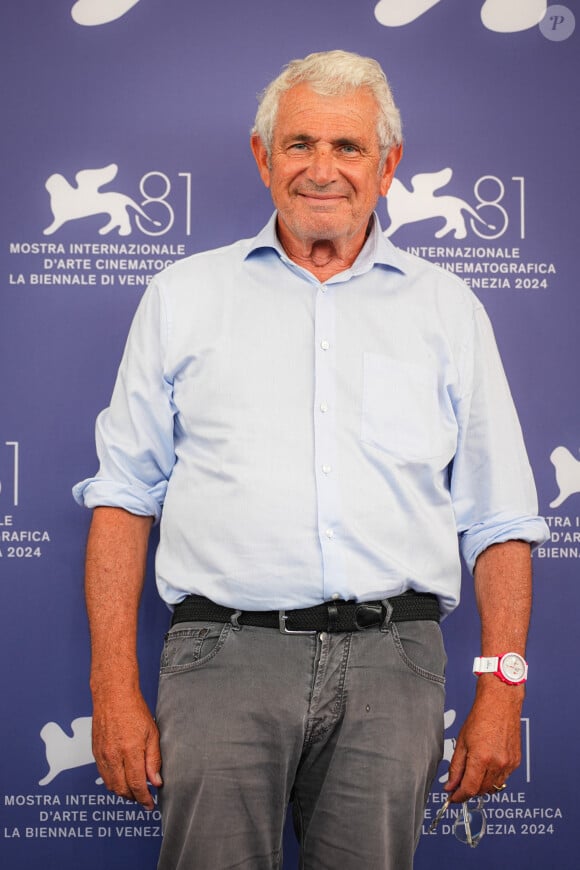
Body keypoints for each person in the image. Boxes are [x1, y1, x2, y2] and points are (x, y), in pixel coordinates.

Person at [74, 50, 549, 869]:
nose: (321, 170)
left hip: (395, 664)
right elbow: (123, 499)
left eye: (348, 148)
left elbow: (500, 519)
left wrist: (501, 694)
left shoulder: (449, 310)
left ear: (389, 165)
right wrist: (112, 690)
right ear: (263, 159)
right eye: (298, 145)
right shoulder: (183, 296)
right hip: (221, 658)